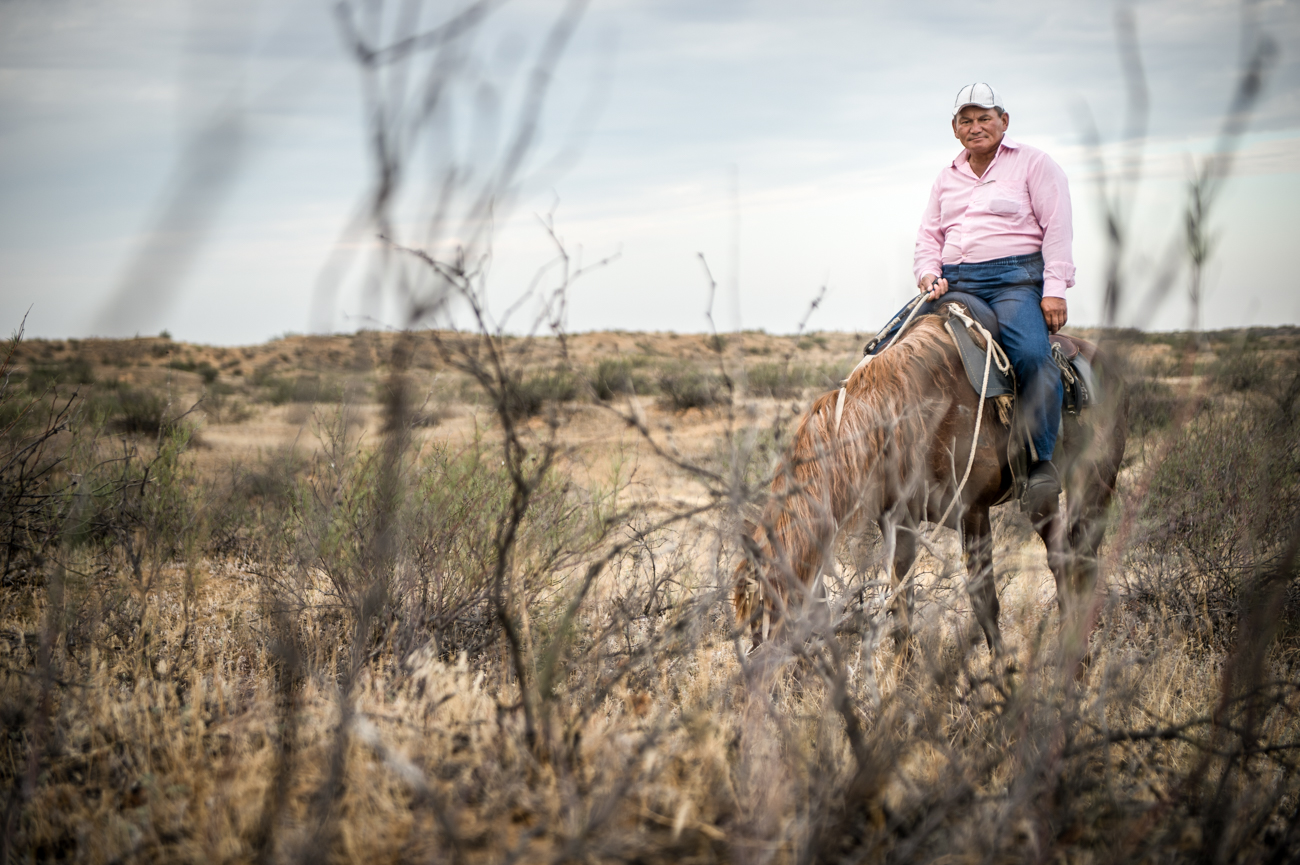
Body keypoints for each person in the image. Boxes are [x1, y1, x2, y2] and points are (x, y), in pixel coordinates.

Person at [913, 82, 1073, 512]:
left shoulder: (1034, 165)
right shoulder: (946, 177)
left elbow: (1057, 229)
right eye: (966, 120)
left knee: (1031, 355)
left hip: (1013, 281)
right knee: (894, 351)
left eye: (985, 117)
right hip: (953, 281)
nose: (976, 126)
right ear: (954, 128)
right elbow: (929, 236)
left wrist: (1054, 291)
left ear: (1004, 121)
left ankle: (1041, 463)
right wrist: (929, 273)